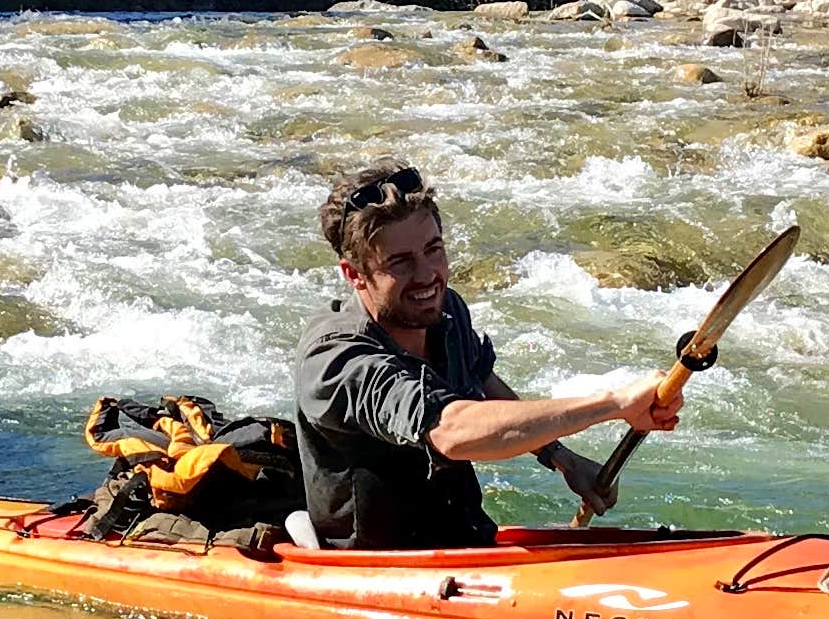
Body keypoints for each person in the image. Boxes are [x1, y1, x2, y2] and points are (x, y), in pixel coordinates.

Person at [290, 161, 685, 550]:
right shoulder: (337, 358)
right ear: (354, 274)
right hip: (378, 571)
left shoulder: (444, 312)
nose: (428, 275)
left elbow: (480, 381)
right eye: (401, 262)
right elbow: (451, 429)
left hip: (465, 545)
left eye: (434, 250)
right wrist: (613, 404)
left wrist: (562, 458)